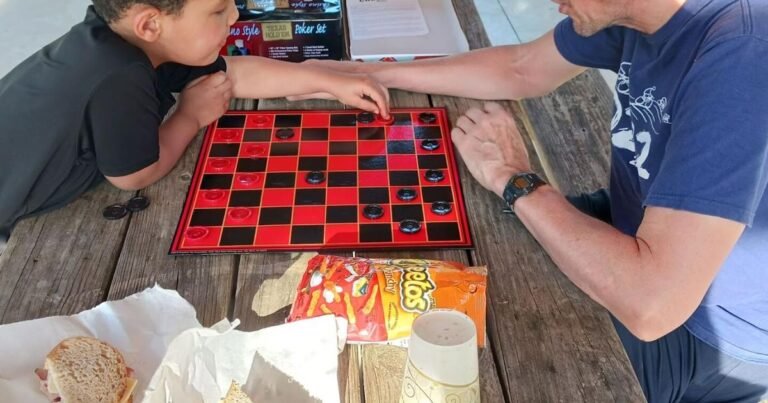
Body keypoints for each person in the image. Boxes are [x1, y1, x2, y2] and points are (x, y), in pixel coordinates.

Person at [297, 0, 768, 401]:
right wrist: (369, 73)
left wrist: (514, 177)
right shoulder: (638, 13)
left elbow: (652, 304)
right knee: (437, 261)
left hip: (707, 330)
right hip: (633, 229)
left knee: (452, 363)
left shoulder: (742, 59)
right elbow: (521, 68)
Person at [0, 0, 390, 249]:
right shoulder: (118, 76)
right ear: (150, 24)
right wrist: (190, 116)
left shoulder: (130, 39)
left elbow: (232, 75)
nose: (235, 17)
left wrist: (331, 82)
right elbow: (134, 176)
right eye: (218, 11)